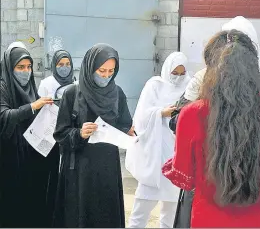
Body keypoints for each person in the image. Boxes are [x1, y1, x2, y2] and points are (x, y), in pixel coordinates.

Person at [162, 30, 260, 228]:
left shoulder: (192, 114)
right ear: (254, 66)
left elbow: (184, 177)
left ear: (210, 69)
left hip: (209, 219)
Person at [53, 43, 133, 228]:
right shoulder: (72, 94)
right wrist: (79, 133)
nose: (106, 76)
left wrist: (128, 133)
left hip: (107, 168)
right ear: (90, 67)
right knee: (81, 214)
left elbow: (124, 123)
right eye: (101, 70)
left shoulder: (117, 93)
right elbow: (60, 133)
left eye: (111, 71)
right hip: (80, 169)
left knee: (106, 214)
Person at [126, 52, 191, 228]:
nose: (178, 78)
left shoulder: (190, 87)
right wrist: (161, 112)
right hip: (154, 155)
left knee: (170, 212)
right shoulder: (154, 85)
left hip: (176, 154)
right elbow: (140, 117)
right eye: (174, 74)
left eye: (181, 74)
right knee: (141, 208)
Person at [0, 45, 60, 227]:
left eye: (29, 67)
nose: (26, 72)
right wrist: (33, 106)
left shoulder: (31, 89)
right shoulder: (3, 87)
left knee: (33, 202)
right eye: (20, 67)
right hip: (10, 159)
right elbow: (4, 117)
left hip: (32, 158)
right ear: (10, 68)